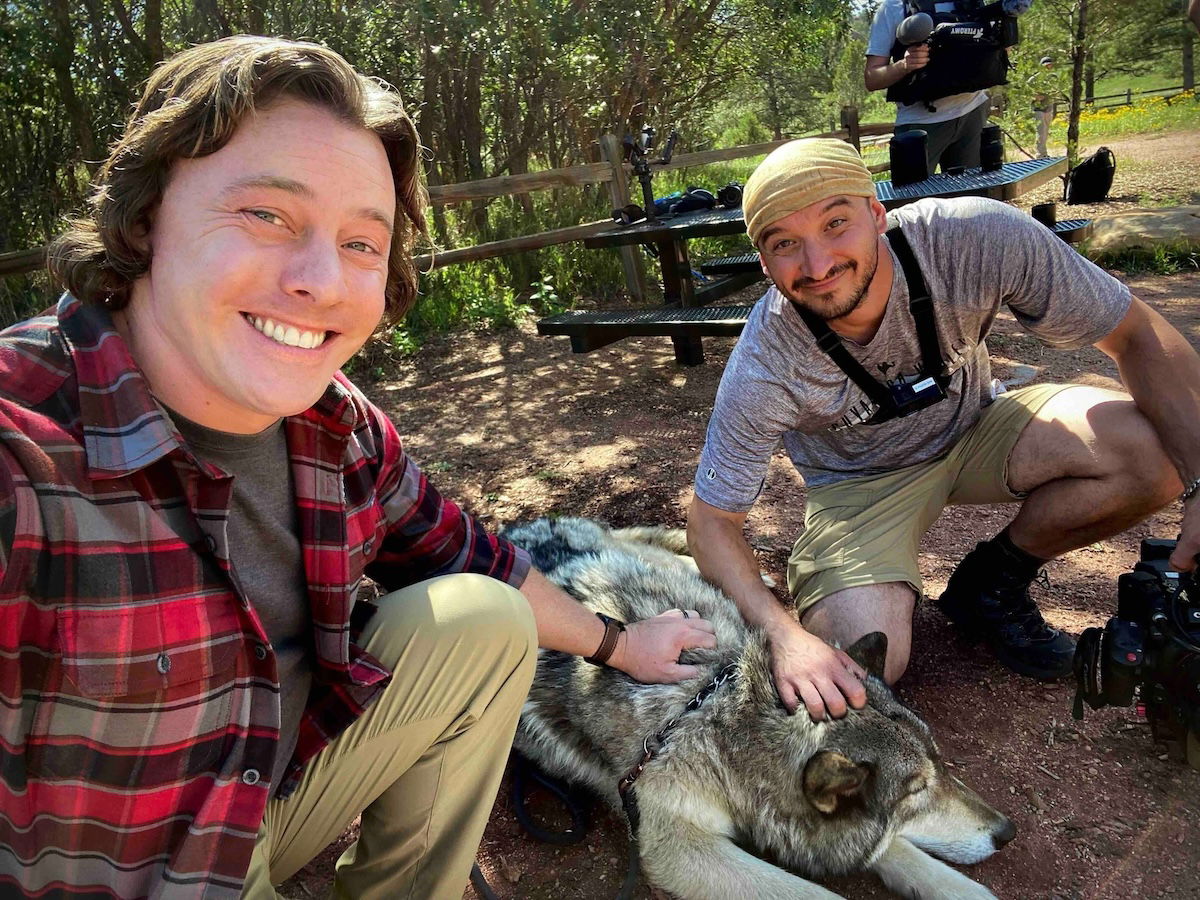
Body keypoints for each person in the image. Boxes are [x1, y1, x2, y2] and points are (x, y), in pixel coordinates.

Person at [0, 36, 717, 899]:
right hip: (115, 868)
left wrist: (622, 643)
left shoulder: (335, 425)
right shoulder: (29, 446)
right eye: (266, 215)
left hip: (268, 795)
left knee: (480, 616)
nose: (320, 280)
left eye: (361, 242)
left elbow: (465, 555)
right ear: (148, 218)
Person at [687, 137, 1200, 723]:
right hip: (862, 485)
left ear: (877, 214)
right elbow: (711, 522)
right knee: (859, 669)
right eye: (785, 244)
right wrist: (781, 634)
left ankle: (994, 581)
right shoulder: (767, 360)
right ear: (763, 262)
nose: (818, 264)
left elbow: (1136, 333)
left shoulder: (973, 239)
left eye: (836, 223)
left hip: (982, 425)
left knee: (1157, 450)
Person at [865, 0, 991, 172]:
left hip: (973, 111)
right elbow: (872, 78)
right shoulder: (892, 8)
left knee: (973, 196)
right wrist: (904, 65)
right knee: (910, 195)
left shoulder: (973, 2)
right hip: (920, 124)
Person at [1028, 55, 1057, 158]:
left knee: (1045, 132)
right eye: (1046, 66)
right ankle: (1040, 154)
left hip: (1048, 108)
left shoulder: (1053, 77)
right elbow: (1027, 93)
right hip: (1037, 109)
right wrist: (1036, 97)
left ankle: (1044, 152)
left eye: (1050, 65)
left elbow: (1056, 91)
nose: (1048, 67)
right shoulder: (1033, 79)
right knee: (1041, 131)